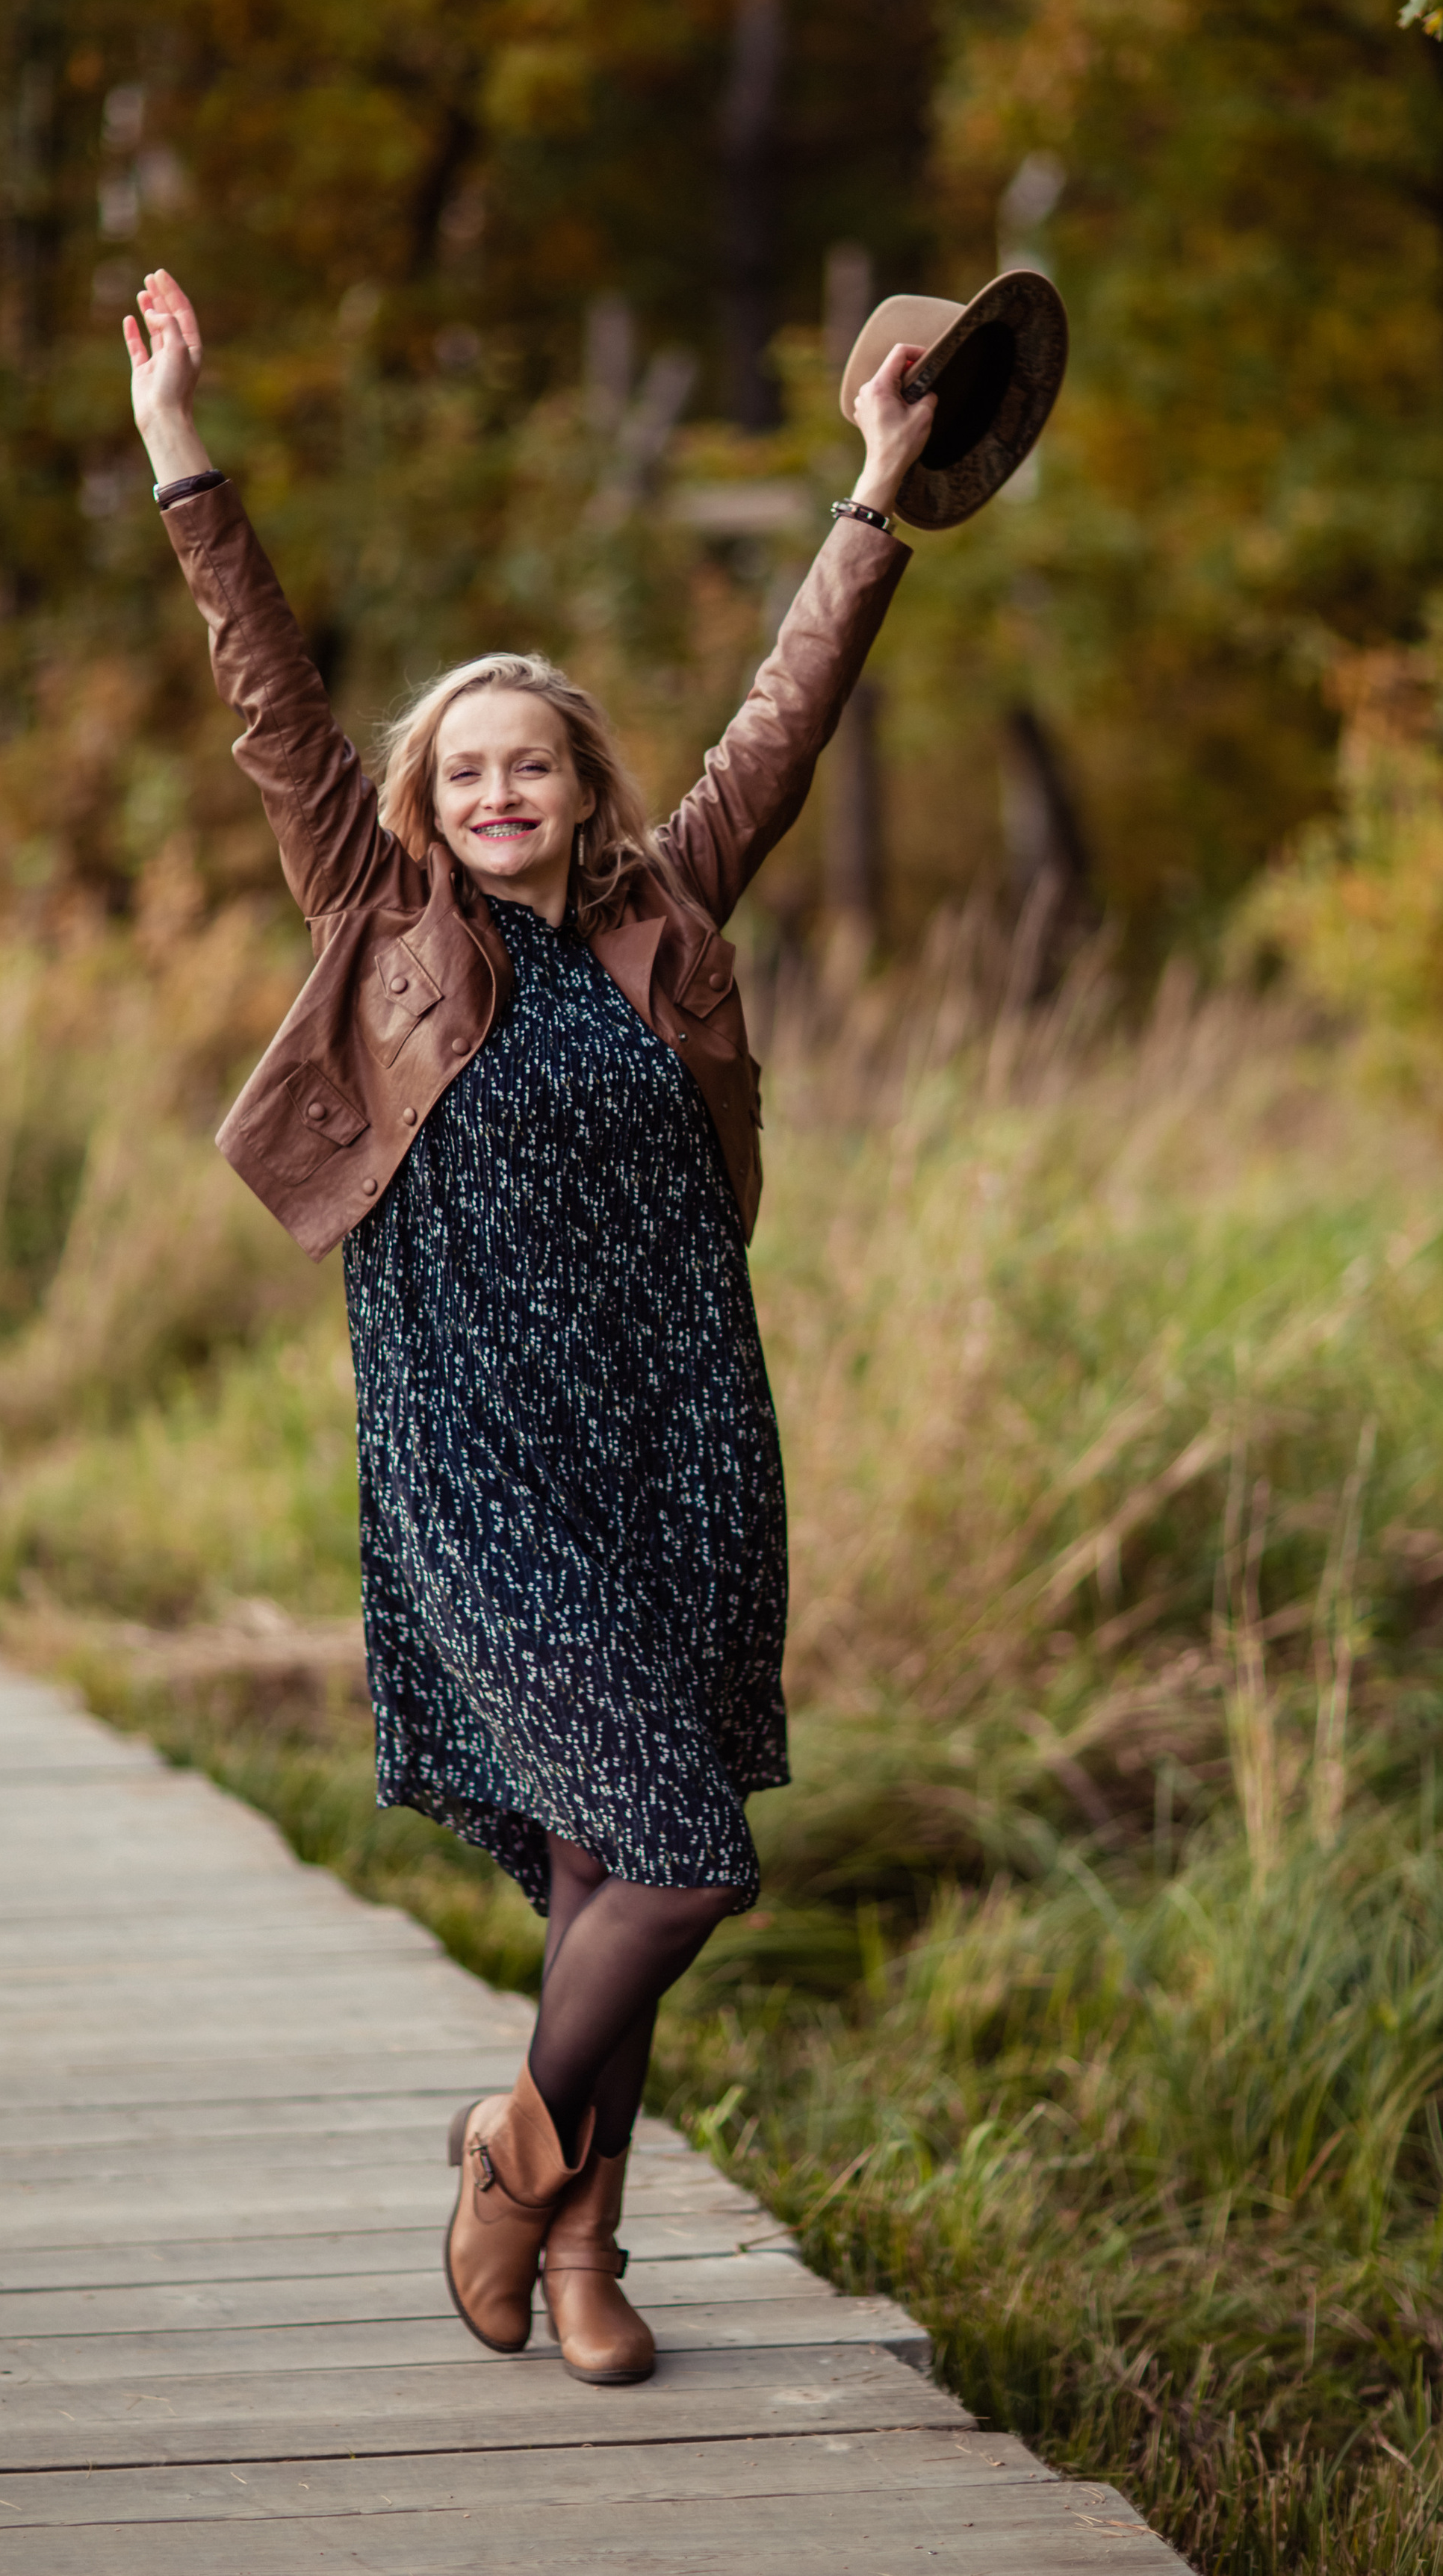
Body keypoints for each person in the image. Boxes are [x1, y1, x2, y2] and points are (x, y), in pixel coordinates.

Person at [124, 266, 933, 2385]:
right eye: (463, 768)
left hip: (675, 1430)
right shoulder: (369, 911)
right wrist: (181, 447)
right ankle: (512, 2153)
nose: (496, 792)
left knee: (610, 1861)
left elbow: (792, 699)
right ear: (428, 797)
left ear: (583, 783)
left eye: (530, 765)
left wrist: (870, 494)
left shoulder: (671, 903)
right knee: (681, 1856)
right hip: (471, 1445)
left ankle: (579, 2258)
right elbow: (268, 688)